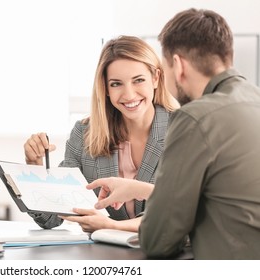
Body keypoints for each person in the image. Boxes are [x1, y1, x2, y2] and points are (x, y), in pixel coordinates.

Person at [87, 8, 260, 259]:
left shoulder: (194, 118)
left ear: (177, 66)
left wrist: (113, 225)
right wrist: (142, 190)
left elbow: (159, 240)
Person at [23, 35, 179, 232]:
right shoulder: (85, 133)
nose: (129, 94)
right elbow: (51, 218)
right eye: (116, 84)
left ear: (155, 78)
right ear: (105, 87)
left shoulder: (183, 129)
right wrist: (35, 168)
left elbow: (180, 210)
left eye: (138, 80)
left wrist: (111, 226)